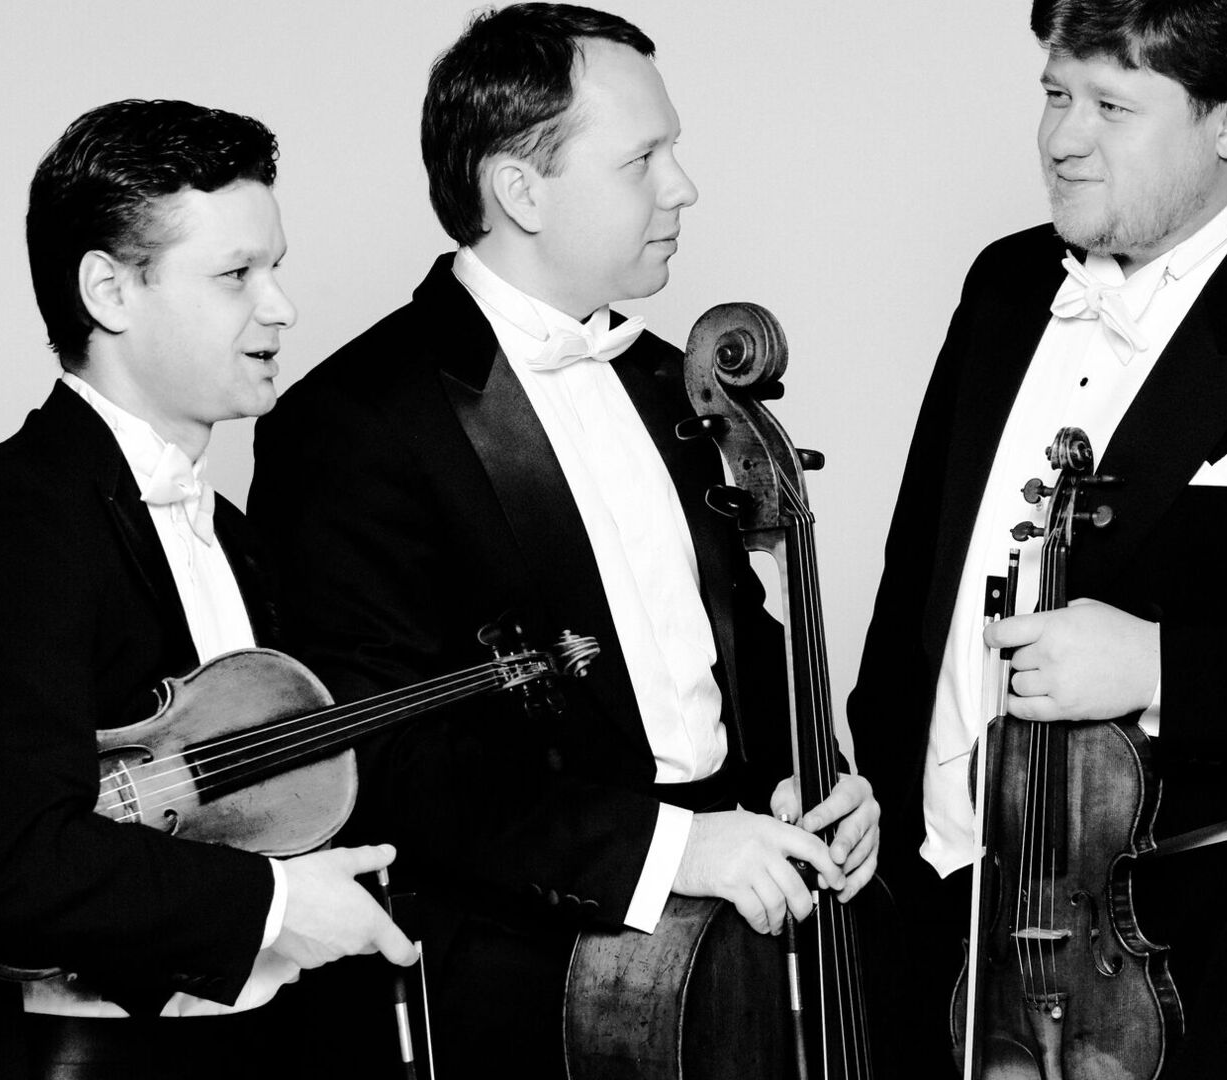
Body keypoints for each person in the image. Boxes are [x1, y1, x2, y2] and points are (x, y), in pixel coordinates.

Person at [247, 5, 881, 1075]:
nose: (683, 187)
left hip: (725, 946)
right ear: (521, 189)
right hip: (521, 984)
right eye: (643, 159)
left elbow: (732, 634)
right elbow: (382, 752)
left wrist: (810, 775)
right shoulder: (351, 421)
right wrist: (674, 848)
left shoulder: (669, 380)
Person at [844, 0, 1227, 1075]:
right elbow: (919, 577)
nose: (1062, 139)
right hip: (925, 912)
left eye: (1112, 107)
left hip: (1165, 971)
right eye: (1055, 95)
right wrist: (884, 806)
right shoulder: (1003, 285)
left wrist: (1162, 666)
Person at [0, 99, 416, 1080]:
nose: (281, 308)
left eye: (275, 269)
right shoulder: (1, 519)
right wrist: (277, 906)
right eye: (235, 275)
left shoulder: (236, 534)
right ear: (110, 291)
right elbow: (3, 860)